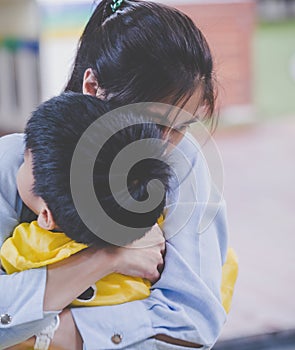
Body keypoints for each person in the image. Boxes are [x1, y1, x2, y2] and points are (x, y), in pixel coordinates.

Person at [0, 0, 235, 349]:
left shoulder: (182, 164)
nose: (162, 146)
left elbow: (190, 325)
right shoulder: (16, 162)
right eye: (151, 122)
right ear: (93, 87)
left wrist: (41, 336)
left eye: (182, 126)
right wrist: (106, 258)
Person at [1, 92, 171, 310]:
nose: (20, 156)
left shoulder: (26, 250)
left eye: (25, 161)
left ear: (46, 215)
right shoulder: (148, 221)